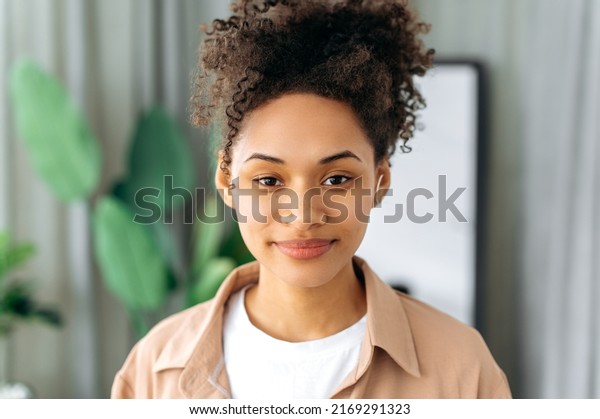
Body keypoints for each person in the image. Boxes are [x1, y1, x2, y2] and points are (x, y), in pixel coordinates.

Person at [111, 0, 511, 399]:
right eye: (268, 180)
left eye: (337, 179)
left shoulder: (461, 368)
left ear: (380, 181)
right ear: (226, 180)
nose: (302, 215)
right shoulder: (154, 368)